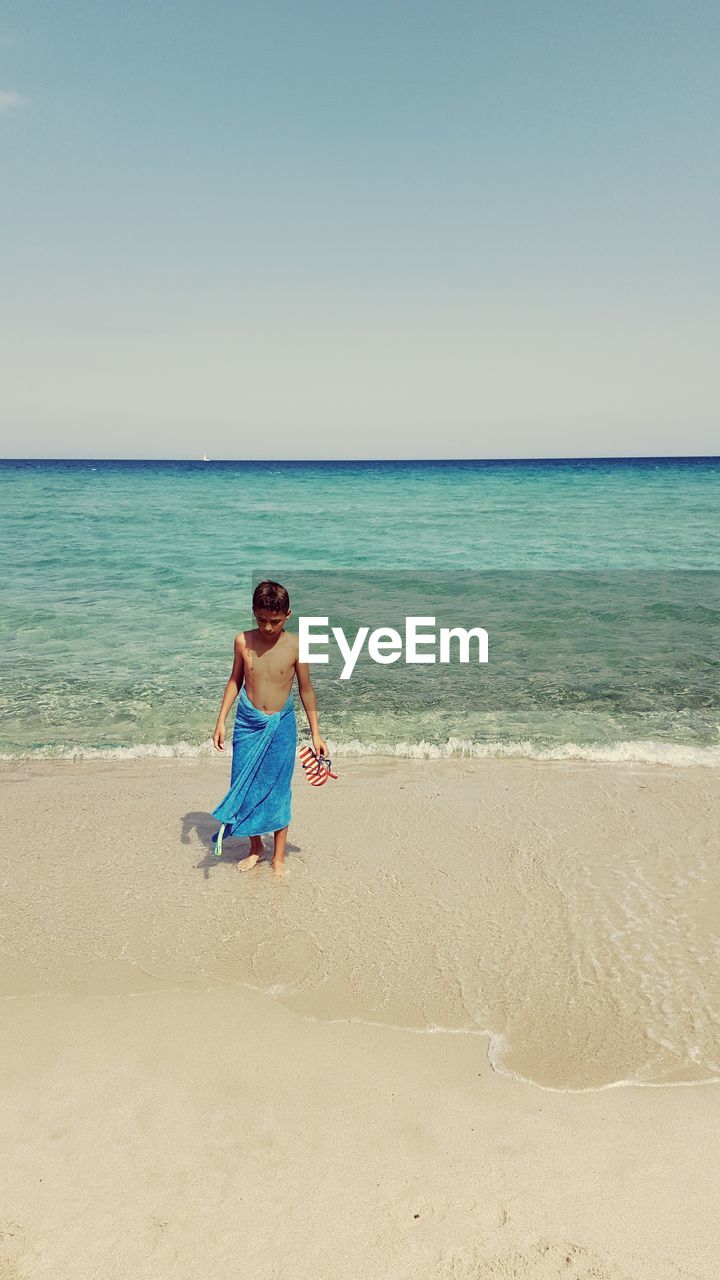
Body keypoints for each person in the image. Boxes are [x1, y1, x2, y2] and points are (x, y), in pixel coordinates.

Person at [211, 580, 328, 876]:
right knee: (246, 785)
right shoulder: (243, 641)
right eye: (261, 620)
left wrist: (316, 733)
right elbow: (234, 681)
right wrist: (221, 720)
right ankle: (255, 847)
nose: (267, 627)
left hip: (281, 726)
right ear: (253, 612)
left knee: (278, 790)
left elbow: (306, 689)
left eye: (275, 621)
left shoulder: (297, 645)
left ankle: (278, 857)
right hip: (247, 723)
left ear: (288, 615)